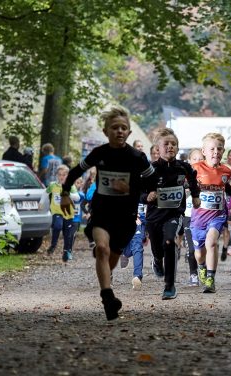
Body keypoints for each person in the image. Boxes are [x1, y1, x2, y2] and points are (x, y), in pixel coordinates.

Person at [60, 106, 157, 321]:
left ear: (129, 133)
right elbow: (76, 171)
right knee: (102, 249)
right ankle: (107, 298)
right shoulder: (100, 153)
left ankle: (106, 280)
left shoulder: (137, 157)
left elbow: (152, 182)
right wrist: (65, 193)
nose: (119, 131)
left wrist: (139, 189)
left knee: (111, 258)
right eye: (115, 128)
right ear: (106, 131)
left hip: (126, 217)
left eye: (124, 128)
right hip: (102, 213)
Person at [143, 128, 201, 299]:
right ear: (157, 149)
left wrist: (196, 195)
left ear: (177, 147)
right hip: (154, 217)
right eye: (166, 144)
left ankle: (169, 286)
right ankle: (156, 260)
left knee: (169, 242)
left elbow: (193, 180)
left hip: (174, 215)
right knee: (157, 249)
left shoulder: (184, 167)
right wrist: (147, 196)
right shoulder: (150, 170)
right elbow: (137, 193)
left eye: (173, 144)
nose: (170, 147)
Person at [191, 133, 231, 293]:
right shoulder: (195, 169)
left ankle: (210, 279)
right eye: (212, 148)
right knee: (199, 253)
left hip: (217, 215)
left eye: (219, 148)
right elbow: (185, 185)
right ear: (204, 151)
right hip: (198, 218)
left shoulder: (226, 171)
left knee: (212, 243)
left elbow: (225, 186)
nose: (216, 151)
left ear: (223, 151)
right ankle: (201, 266)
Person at [46, 165, 79, 262]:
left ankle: (66, 252)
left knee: (67, 234)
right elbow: (45, 193)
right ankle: (53, 245)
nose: (62, 177)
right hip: (57, 211)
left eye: (64, 175)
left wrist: (69, 194)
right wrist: (41, 204)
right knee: (57, 226)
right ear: (57, 175)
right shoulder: (53, 185)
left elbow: (77, 197)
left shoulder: (71, 186)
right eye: (60, 175)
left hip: (68, 213)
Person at [183, 148, 204, 286]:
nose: (197, 162)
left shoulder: (207, 175)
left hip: (203, 217)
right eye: (194, 159)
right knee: (191, 249)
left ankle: (204, 270)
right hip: (188, 216)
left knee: (203, 248)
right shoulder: (182, 176)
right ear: (189, 161)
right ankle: (193, 274)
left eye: (200, 159)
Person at [119, 203, 147, 290]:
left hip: (138, 224)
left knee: (137, 248)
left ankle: (137, 277)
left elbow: (149, 215)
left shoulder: (144, 196)